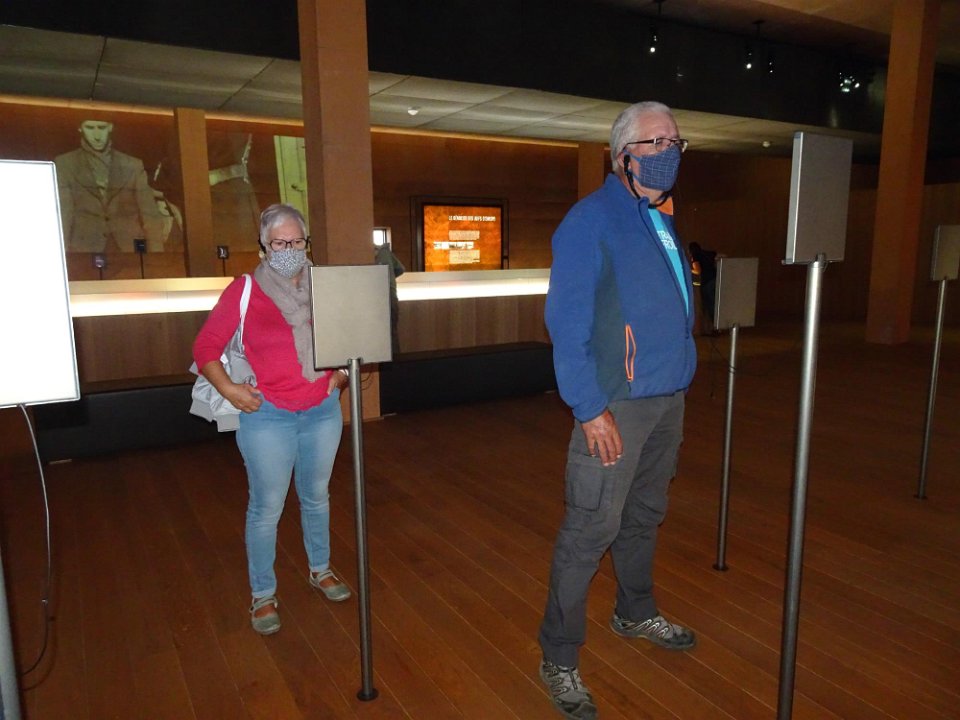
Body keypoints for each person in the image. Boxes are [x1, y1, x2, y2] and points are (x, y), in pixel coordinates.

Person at [538, 101, 698, 720]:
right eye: (655, 142)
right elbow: (566, 323)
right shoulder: (590, 221)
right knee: (589, 532)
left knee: (644, 517)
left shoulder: (660, 217)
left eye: (675, 141)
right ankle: (558, 656)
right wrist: (589, 408)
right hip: (615, 406)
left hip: (667, 398)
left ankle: (635, 611)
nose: (668, 151)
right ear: (622, 154)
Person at [192, 203, 352, 636]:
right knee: (267, 507)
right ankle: (262, 594)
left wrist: (339, 377)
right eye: (280, 243)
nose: (289, 250)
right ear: (263, 245)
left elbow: (350, 334)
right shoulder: (244, 290)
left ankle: (320, 569)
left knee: (316, 496)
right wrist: (230, 389)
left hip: (321, 411)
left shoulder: (323, 286)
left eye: (297, 241)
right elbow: (205, 347)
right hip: (267, 417)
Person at [54, 119, 168, 252]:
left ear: (110, 127)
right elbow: (64, 214)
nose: (97, 136)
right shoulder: (65, 163)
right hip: (84, 248)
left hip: (132, 248)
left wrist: (156, 254)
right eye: (90, 128)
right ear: (80, 128)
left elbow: (149, 213)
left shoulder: (132, 164)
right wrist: (61, 253)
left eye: (101, 128)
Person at [373, 240, 405, 355]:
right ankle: (395, 360)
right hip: (392, 296)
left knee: (384, 334)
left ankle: (388, 360)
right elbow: (401, 269)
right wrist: (391, 278)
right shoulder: (385, 252)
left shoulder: (374, 255)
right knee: (392, 333)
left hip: (382, 298)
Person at [688, 242, 718, 333]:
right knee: (715, 304)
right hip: (715, 280)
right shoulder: (709, 253)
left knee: (708, 305)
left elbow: (698, 271)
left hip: (707, 282)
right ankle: (716, 326)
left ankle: (713, 328)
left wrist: (688, 269)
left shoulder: (696, 255)